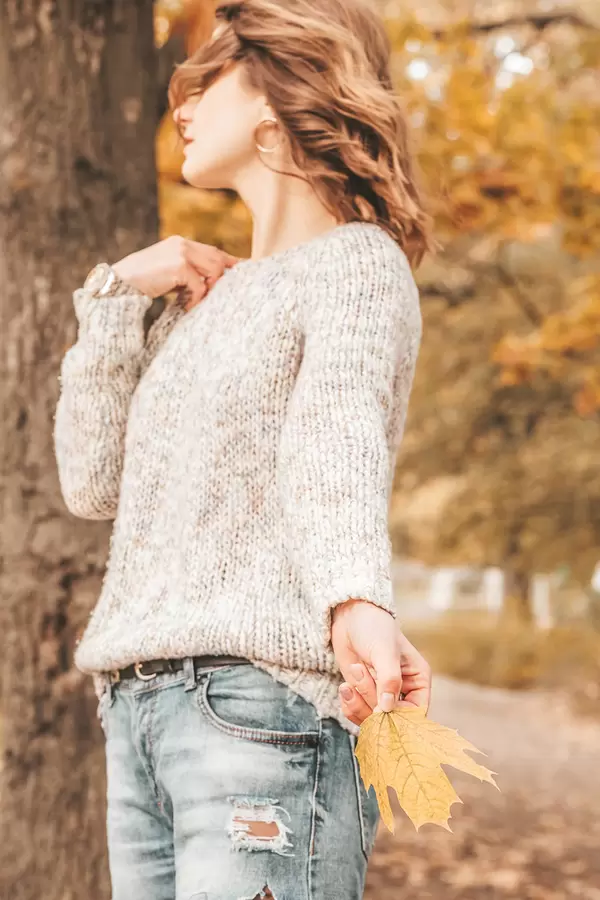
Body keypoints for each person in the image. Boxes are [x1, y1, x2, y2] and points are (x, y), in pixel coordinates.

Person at [53, 0, 433, 896]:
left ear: (275, 86)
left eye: (204, 78)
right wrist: (113, 298)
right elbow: (92, 484)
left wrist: (355, 598)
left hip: (259, 712)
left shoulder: (355, 263)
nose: (180, 104)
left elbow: (333, 437)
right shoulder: (200, 306)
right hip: (138, 715)